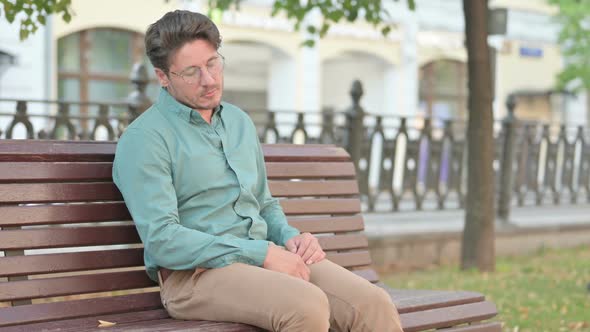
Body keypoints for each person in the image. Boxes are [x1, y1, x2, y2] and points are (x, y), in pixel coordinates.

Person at [113, 9, 403, 332]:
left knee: (373, 304)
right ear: (163, 77)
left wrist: (291, 238)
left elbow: (263, 203)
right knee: (305, 305)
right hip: (194, 278)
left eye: (212, 63)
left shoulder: (238, 122)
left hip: (263, 259)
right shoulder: (144, 140)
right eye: (191, 72)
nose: (208, 80)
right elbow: (163, 240)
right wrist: (260, 253)